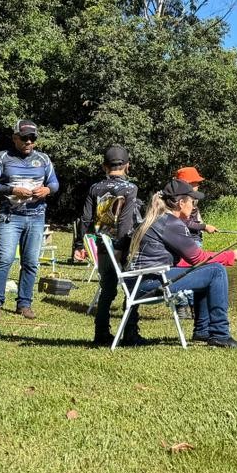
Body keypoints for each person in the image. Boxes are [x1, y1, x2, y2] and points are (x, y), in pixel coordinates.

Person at [131, 179, 237, 348]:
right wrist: (230, 255)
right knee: (216, 271)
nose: (193, 206)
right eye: (192, 202)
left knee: (207, 269)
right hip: (148, 284)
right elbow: (198, 258)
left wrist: (224, 256)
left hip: (138, 283)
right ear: (181, 203)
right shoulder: (171, 223)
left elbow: (191, 260)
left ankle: (202, 330)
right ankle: (220, 334)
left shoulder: (159, 219)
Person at [0, 120, 59, 320]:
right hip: (10, 217)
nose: (29, 142)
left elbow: (54, 183)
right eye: (24, 138)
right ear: (15, 138)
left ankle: (24, 304)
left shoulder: (43, 159)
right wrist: (12, 189)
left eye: (32, 138)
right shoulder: (1, 157)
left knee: (31, 262)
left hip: (36, 217)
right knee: (5, 259)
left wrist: (47, 190)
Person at [73, 145, 143, 347]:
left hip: (103, 244)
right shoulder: (130, 189)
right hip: (124, 245)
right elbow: (125, 221)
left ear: (104, 166)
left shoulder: (95, 188)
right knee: (131, 287)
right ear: (127, 166)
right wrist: (122, 249)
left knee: (107, 289)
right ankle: (130, 333)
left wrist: (80, 244)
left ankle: (101, 333)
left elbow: (86, 218)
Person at [174, 166, 218, 244]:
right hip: (189, 240)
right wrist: (205, 227)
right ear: (188, 184)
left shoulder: (191, 198)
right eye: (196, 182)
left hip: (193, 238)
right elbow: (183, 221)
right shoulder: (180, 201)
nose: (198, 185)